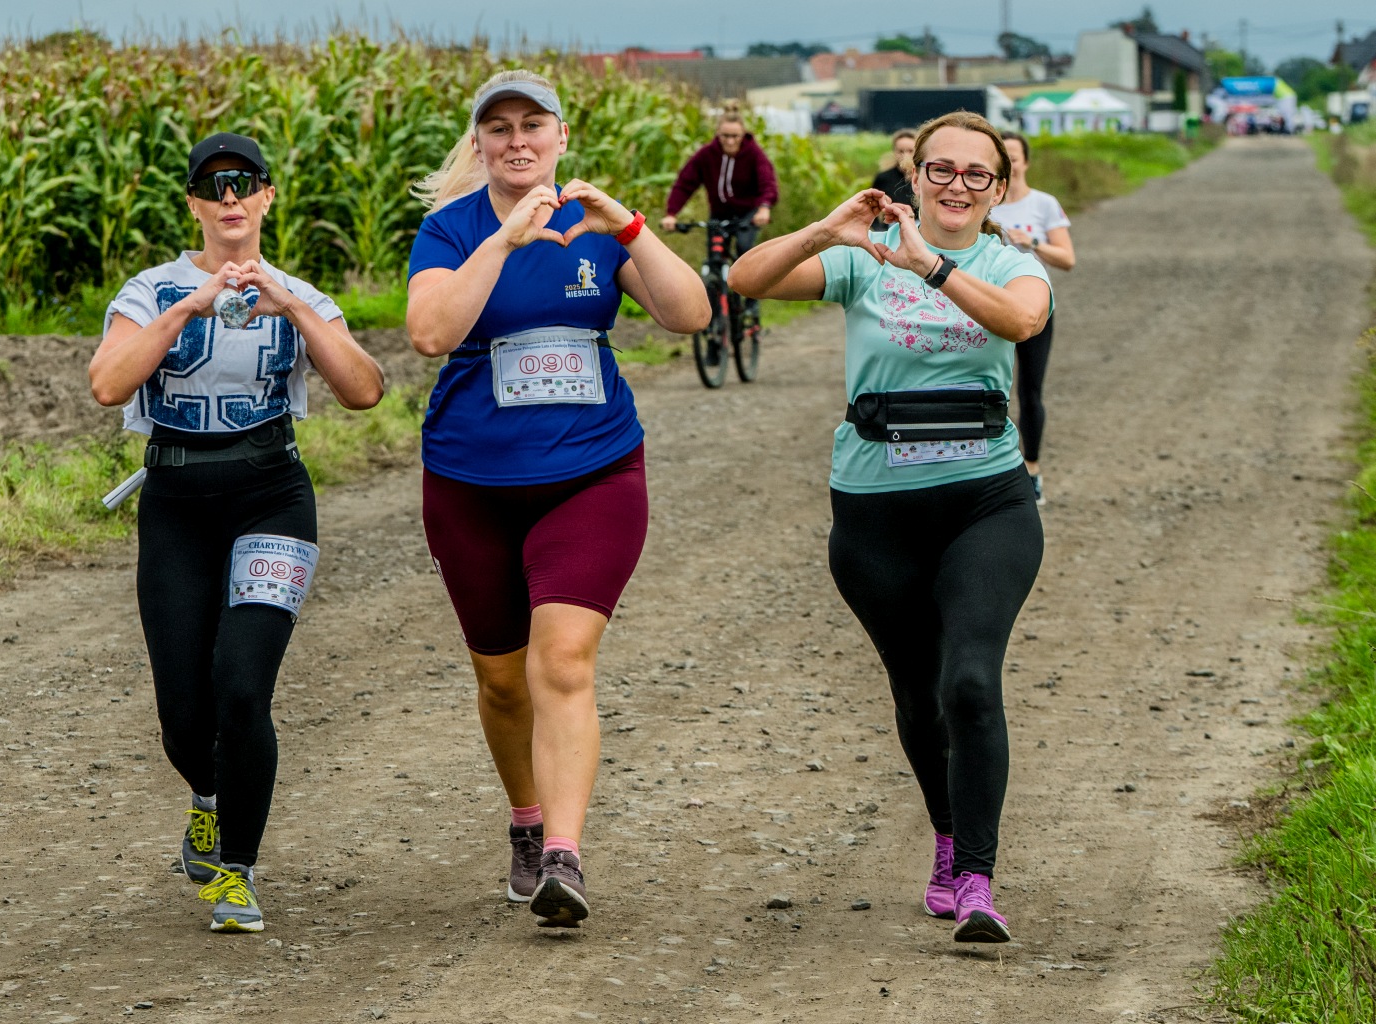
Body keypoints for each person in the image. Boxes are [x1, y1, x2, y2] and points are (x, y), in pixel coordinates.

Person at [729, 111, 1051, 943]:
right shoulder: (862, 259)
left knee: (969, 682)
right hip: (874, 513)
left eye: (975, 174)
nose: (955, 185)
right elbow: (744, 279)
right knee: (918, 694)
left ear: (998, 189)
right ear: (914, 176)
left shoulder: (1010, 265)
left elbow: (1019, 323)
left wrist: (931, 266)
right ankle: (945, 839)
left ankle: (975, 879)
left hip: (986, 503)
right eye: (940, 169)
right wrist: (822, 232)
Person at [406, 70, 707, 928]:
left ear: (560, 136)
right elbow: (429, 332)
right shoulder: (450, 229)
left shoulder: (598, 225)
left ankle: (564, 857)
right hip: (470, 480)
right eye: (498, 128)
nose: (516, 141)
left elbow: (690, 315)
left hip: (591, 472)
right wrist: (503, 241)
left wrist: (632, 229)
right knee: (503, 680)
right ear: (478, 144)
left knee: (562, 662)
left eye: (532, 124)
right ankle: (528, 821)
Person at [88, 131, 385, 933]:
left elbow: (364, 389)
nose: (229, 197)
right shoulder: (149, 290)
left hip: (271, 497)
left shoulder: (300, 293)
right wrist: (190, 304)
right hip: (176, 503)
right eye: (213, 185)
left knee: (243, 687)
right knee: (184, 717)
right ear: (192, 202)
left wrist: (291, 307)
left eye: (244, 183)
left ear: (266, 197)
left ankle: (236, 871)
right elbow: (108, 382)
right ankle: (208, 797)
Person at [995, 132, 1076, 505]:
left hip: (1033, 307)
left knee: (1029, 391)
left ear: (1026, 162)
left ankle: (1031, 469)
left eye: (1014, 156)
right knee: (988, 390)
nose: (1009, 164)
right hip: (988, 306)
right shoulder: (982, 203)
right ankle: (991, 473)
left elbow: (1067, 259)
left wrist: (1032, 243)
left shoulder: (1043, 204)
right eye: (1003, 157)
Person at [659, 108, 779, 323]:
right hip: (719, 214)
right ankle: (715, 310)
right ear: (718, 135)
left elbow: (767, 183)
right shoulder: (707, 155)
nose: (730, 141)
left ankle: (751, 301)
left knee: (744, 249)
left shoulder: (754, 155)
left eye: (735, 136)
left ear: (743, 135)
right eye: (725, 136)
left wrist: (764, 208)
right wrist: (671, 213)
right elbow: (685, 183)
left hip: (747, 215)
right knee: (714, 257)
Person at [869, 129, 918, 228]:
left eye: (910, 151)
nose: (905, 155)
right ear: (894, 152)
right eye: (901, 151)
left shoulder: (924, 177)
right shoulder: (883, 178)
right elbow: (873, 209)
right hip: (891, 227)